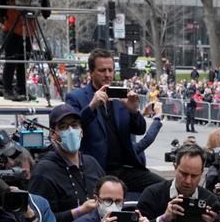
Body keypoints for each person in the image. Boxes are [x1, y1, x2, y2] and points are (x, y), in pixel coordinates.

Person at [64, 49, 163, 194]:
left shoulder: (121, 96)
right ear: (91, 72)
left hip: (123, 169)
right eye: (102, 70)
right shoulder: (76, 97)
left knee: (163, 189)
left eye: (111, 70)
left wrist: (133, 111)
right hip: (94, 171)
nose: (108, 75)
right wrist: (91, 106)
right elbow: (72, 129)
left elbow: (140, 130)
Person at [28, 103, 104, 222]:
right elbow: (38, 221)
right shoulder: (44, 172)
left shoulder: (91, 163)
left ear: (81, 131)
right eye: (63, 127)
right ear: (53, 134)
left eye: (74, 125)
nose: (70, 131)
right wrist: (78, 212)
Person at [0, 0, 49, 101]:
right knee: (11, 61)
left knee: (23, 62)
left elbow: (46, 11)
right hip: (12, 27)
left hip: (28, 28)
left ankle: (22, 90)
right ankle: (8, 90)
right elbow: (0, 3)